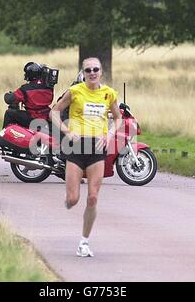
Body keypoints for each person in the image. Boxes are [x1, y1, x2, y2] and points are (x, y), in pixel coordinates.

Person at [50, 57, 122, 257]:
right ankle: (69, 201)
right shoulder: (74, 92)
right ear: (83, 72)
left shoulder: (109, 94)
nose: (92, 72)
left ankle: (84, 242)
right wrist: (66, 131)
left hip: (97, 149)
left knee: (92, 197)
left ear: (101, 71)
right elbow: (54, 113)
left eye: (95, 69)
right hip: (76, 148)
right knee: (74, 199)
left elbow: (118, 118)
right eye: (88, 69)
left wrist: (109, 134)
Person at [1, 62, 54, 129]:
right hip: (46, 117)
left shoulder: (25, 89)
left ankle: (4, 135)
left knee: (9, 113)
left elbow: (9, 99)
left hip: (33, 118)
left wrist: (7, 95)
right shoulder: (49, 87)